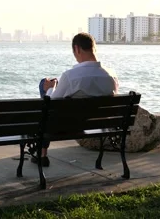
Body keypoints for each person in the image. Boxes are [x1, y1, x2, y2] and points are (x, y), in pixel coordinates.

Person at [33, 32, 119, 167]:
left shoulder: (70, 76)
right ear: (93, 48)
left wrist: (51, 87)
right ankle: (41, 153)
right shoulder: (111, 76)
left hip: (67, 126)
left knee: (44, 85)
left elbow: (51, 103)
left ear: (77, 49)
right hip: (97, 124)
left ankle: (42, 153)